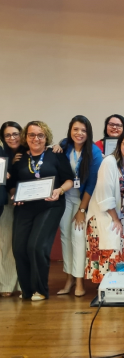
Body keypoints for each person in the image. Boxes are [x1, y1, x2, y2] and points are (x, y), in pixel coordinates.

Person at [8, 121, 74, 301]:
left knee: (36, 246)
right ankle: (27, 289)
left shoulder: (55, 154)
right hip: (25, 207)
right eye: (32, 135)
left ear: (46, 137)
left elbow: (69, 180)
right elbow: (12, 185)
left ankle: (40, 290)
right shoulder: (20, 158)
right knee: (19, 248)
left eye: (40, 135)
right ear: (26, 137)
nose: (36, 138)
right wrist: (15, 195)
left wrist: (59, 190)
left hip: (50, 205)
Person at [85, 129, 124, 283]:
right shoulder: (109, 162)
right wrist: (115, 219)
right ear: (119, 144)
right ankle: (107, 286)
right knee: (111, 250)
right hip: (108, 215)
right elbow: (105, 195)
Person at [57, 116, 103, 297]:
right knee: (65, 237)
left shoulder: (94, 152)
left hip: (85, 200)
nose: (79, 133)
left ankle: (79, 281)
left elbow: (92, 184)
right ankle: (68, 278)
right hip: (66, 198)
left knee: (77, 237)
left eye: (83, 130)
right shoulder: (64, 145)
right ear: (70, 130)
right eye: (76, 129)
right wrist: (55, 148)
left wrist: (82, 210)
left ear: (88, 133)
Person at [0, 122, 24, 296]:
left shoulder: (29, 149)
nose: (12, 138)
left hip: (28, 202)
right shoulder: (2, 154)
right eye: (7, 135)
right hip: (7, 201)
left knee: (23, 244)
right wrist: (10, 166)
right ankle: (7, 284)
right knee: (6, 243)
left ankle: (23, 284)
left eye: (15, 134)